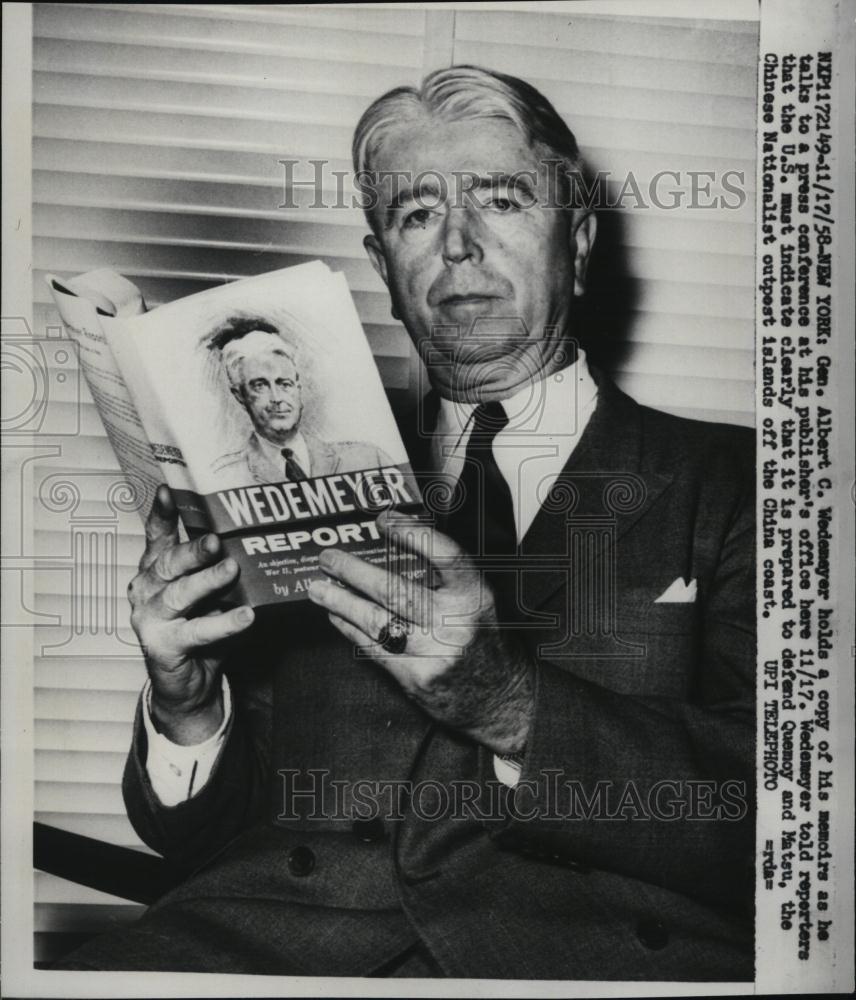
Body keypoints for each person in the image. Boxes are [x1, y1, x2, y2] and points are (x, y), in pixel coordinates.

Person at [60, 66, 755, 980]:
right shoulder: (306, 481)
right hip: (268, 952)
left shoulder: (742, 482)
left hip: (576, 960)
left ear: (579, 241)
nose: (459, 247)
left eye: (501, 200)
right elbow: (204, 843)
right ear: (384, 265)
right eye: (417, 215)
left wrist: (508, 704)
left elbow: (791, 825)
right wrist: (187, 704)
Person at [210, 317, 392, 484]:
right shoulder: (224, 477)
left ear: (298, 387)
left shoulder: (369, 460)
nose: (277, 398)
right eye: (260, 385)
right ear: (239, 396)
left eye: (284, 384)